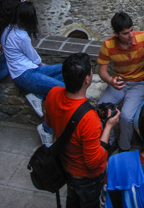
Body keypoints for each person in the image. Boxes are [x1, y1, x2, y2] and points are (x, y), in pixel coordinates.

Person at [46, 53, 120, 208]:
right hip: (87, 177)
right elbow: (93, 162)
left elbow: (51, 124)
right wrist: (108, 127)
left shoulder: (52, 94)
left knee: (72, 201)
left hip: (66, 166)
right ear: (87, 79)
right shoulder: (89, 118)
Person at [0, 1, 64, 142]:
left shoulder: (8, 29)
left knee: (66, 69)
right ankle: (47, 129)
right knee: (64, 89)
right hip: (25, 76)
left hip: (31, 70)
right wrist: (41, 63)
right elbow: (33, 56)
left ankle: (38, 94)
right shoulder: (22, 35)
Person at [97, 12, 144, 152]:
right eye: (125, 33)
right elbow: (102, 71)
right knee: (101, 109)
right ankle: (109, 143)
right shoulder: (108, 45)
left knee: (127, 117)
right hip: (119, 82)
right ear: (116, 34)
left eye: (131, 30)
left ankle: (124, 147)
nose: (130, 35)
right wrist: (111, 81)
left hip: (140, 83)